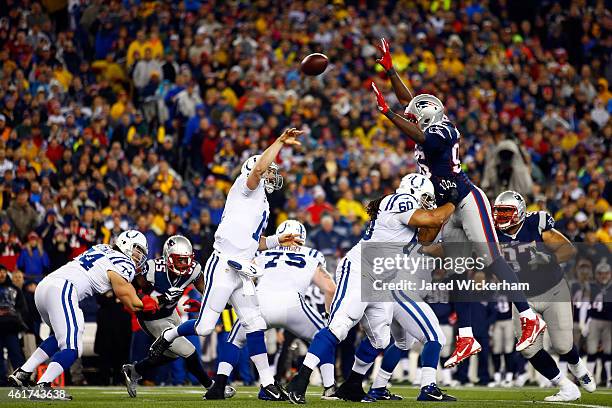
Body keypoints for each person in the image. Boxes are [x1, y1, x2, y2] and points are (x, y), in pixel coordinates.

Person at [372, 38, 544, 368]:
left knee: (490, 258)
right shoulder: (428, 118)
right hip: (447, 205)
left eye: (415, 116)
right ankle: (466, 336)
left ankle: (528, 316)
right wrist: (391, 71)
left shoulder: (444, 129)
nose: (412, 116)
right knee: (457, 271)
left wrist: (387, 113)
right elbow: (411, 102)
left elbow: (420, 134)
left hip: (466, 198)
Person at [147, 128, 303, 401]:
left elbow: (255, 242)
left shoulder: (262, 203)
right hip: (222, 265)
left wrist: (279, 239)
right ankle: (169, 334)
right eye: (268, 170)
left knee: (254, 323)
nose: (271, 174)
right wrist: (278, 141)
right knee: (206, 326)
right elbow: (256, 172)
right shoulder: (245, 185)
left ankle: (267, 385)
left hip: (241, 268)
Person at [287, 173, 458, 404]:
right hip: (361, 270)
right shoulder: (401, 200)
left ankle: (353, 385)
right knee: (340, 326)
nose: (428, 202)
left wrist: (443, 214)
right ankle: (300, 380)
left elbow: (427, 236)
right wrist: (452, 203)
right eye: (426, 197)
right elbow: (434, 218)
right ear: (414, 190)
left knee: (380, 339)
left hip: (382, 280)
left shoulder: (408, 211)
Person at [8, 230, 152, 400]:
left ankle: (23, 373)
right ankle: (43, 385)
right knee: (73, 347)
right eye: (137, 250)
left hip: (45, 286)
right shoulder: (124, 262)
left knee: (59, 337)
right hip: (63, 289)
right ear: (125, 244)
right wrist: (148, 304)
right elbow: (129, 299)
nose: (138, 256)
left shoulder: (102, 247)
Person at [205, 219, 337, 400]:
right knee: (325, 336)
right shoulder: (312, 254)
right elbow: (330, 289)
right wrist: (328, 315)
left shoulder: (262, 254)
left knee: (234, 340)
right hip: (294, 305)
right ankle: (329, 388)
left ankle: (219, 385)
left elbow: (246, 277)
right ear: (303, 238)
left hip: (260, 303)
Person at [494, 191, 595, 401]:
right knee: (528, 349)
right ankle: (566, 386)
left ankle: (577, 366)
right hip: (522, 298)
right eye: (499, 212)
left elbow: (568, 250)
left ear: (519, 213)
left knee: (562, 345)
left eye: (506, 212)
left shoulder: (535, 224)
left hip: (553, 290)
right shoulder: (493, 233)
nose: (501, 216)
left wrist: (548, 259)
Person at [122, 235, 226, 397]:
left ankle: (134, 370)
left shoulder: (194, 270)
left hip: (171, 314)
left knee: (172, 353)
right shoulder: (151, 269)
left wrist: (206, 304)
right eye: (180, 260)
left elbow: (206, 292)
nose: (185, 264)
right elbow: (133, 293)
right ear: (168, 258)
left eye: (187, 259)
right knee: (188, 350)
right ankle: (211, 387)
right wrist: (160, 298)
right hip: (152, 318)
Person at [582, 261, 611, 388]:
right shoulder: (591, 286)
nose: (603, 276)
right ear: (596, 274)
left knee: (609, 351)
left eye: (606, 273)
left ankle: (609, 379)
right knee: (592, 350)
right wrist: (584, 323)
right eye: (600, 273)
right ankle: (590, 378)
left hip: (609, 322)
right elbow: (584, 306)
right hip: (594, 320)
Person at [0, 265, 27, 385]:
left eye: (3, 272)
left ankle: (20, 380)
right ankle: (1, 381)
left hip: (11, 327)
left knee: (16, 356)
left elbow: (23, 309)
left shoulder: (16, 289)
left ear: (6, 273)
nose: (1, 274)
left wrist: (17, 319)